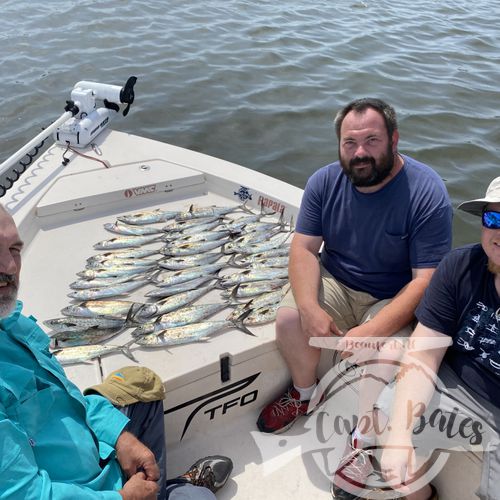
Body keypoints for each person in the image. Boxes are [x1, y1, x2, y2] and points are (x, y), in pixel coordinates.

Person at [255, 98, 453, 497]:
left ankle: (362, 438)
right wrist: (310, 308)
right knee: (290, 319)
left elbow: (425, 281)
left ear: (394, 140)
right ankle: (303, 393)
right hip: (338, 280)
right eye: (350, 143)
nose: (360, 152)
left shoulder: (427, 191)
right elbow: (304, 249)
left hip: (394, 294)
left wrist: (374, 329)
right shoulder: (323, 182)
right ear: (339, 146)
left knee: (385, 353)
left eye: (371, 140)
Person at [0, 204, 232, 499]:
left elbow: (66, 395)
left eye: (15, 249)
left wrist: (119, 436)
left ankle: (155, 487)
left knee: (139, 383)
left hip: (91, 459)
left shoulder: (10, 321)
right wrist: (122, 498)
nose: (9, 267)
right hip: (85, 490)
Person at [379, 177, 500, 500]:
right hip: (456, 381)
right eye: (494, 218)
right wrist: (400, 434)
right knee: (387, 418)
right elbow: (423, 353)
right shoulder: (460, 266)